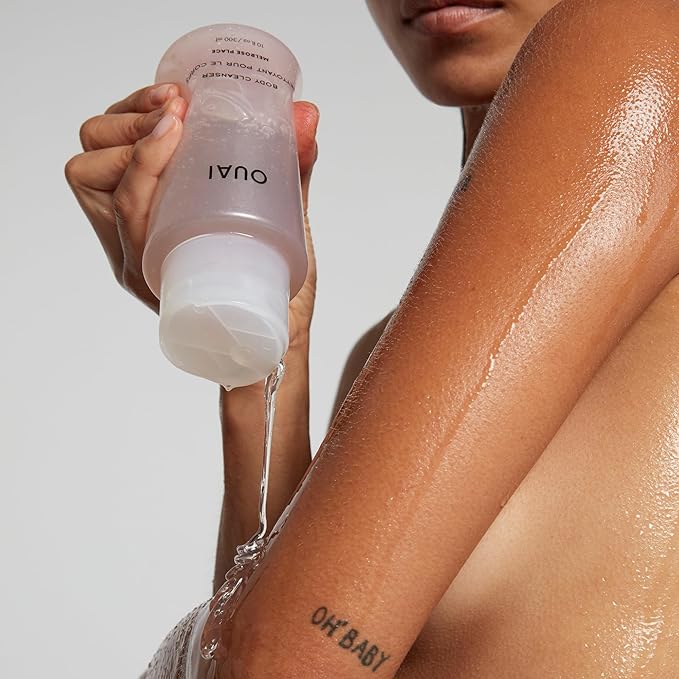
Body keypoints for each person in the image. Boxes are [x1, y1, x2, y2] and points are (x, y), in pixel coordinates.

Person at [64, 0, 679, 676]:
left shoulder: (642, 41)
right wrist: (255, 338)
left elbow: (270, 662)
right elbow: (270, 628)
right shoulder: (377, 355)